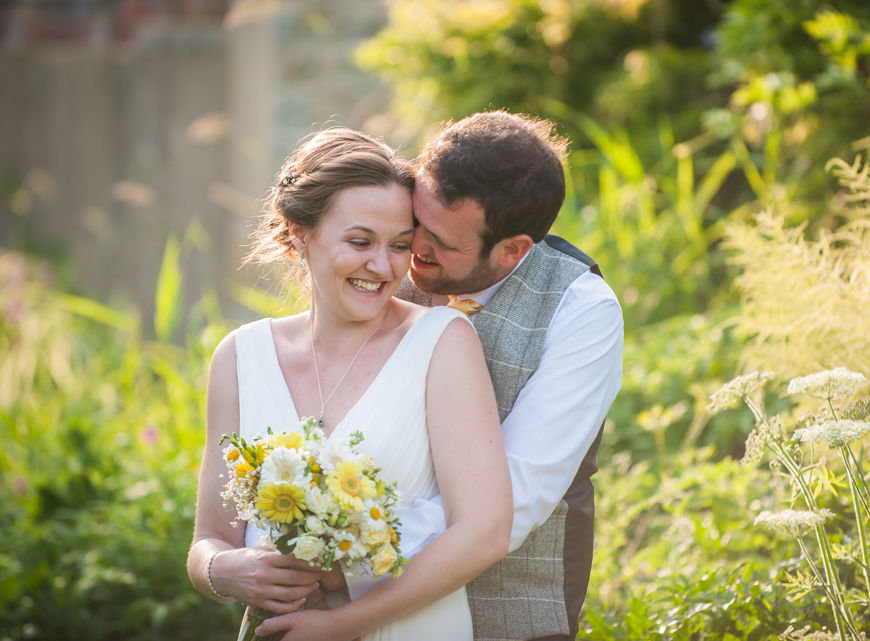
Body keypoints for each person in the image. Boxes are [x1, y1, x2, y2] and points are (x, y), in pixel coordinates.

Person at [186, 127, 513, 641]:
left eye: (400, 246)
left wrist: (341, 625)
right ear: (299, 231)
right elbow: (210, 538)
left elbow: (484, 533)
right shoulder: (240, 356)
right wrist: (222, 571)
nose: (382, 267)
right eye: (359, 241)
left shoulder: (442, 341)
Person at [342, 110, 625, 641]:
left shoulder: (581, 310)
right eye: (417, 220)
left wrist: (351, 552)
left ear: (514, 248)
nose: (416, 248)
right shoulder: (384, 268)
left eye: (443, 243)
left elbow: (516, 495)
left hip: (509, 610)